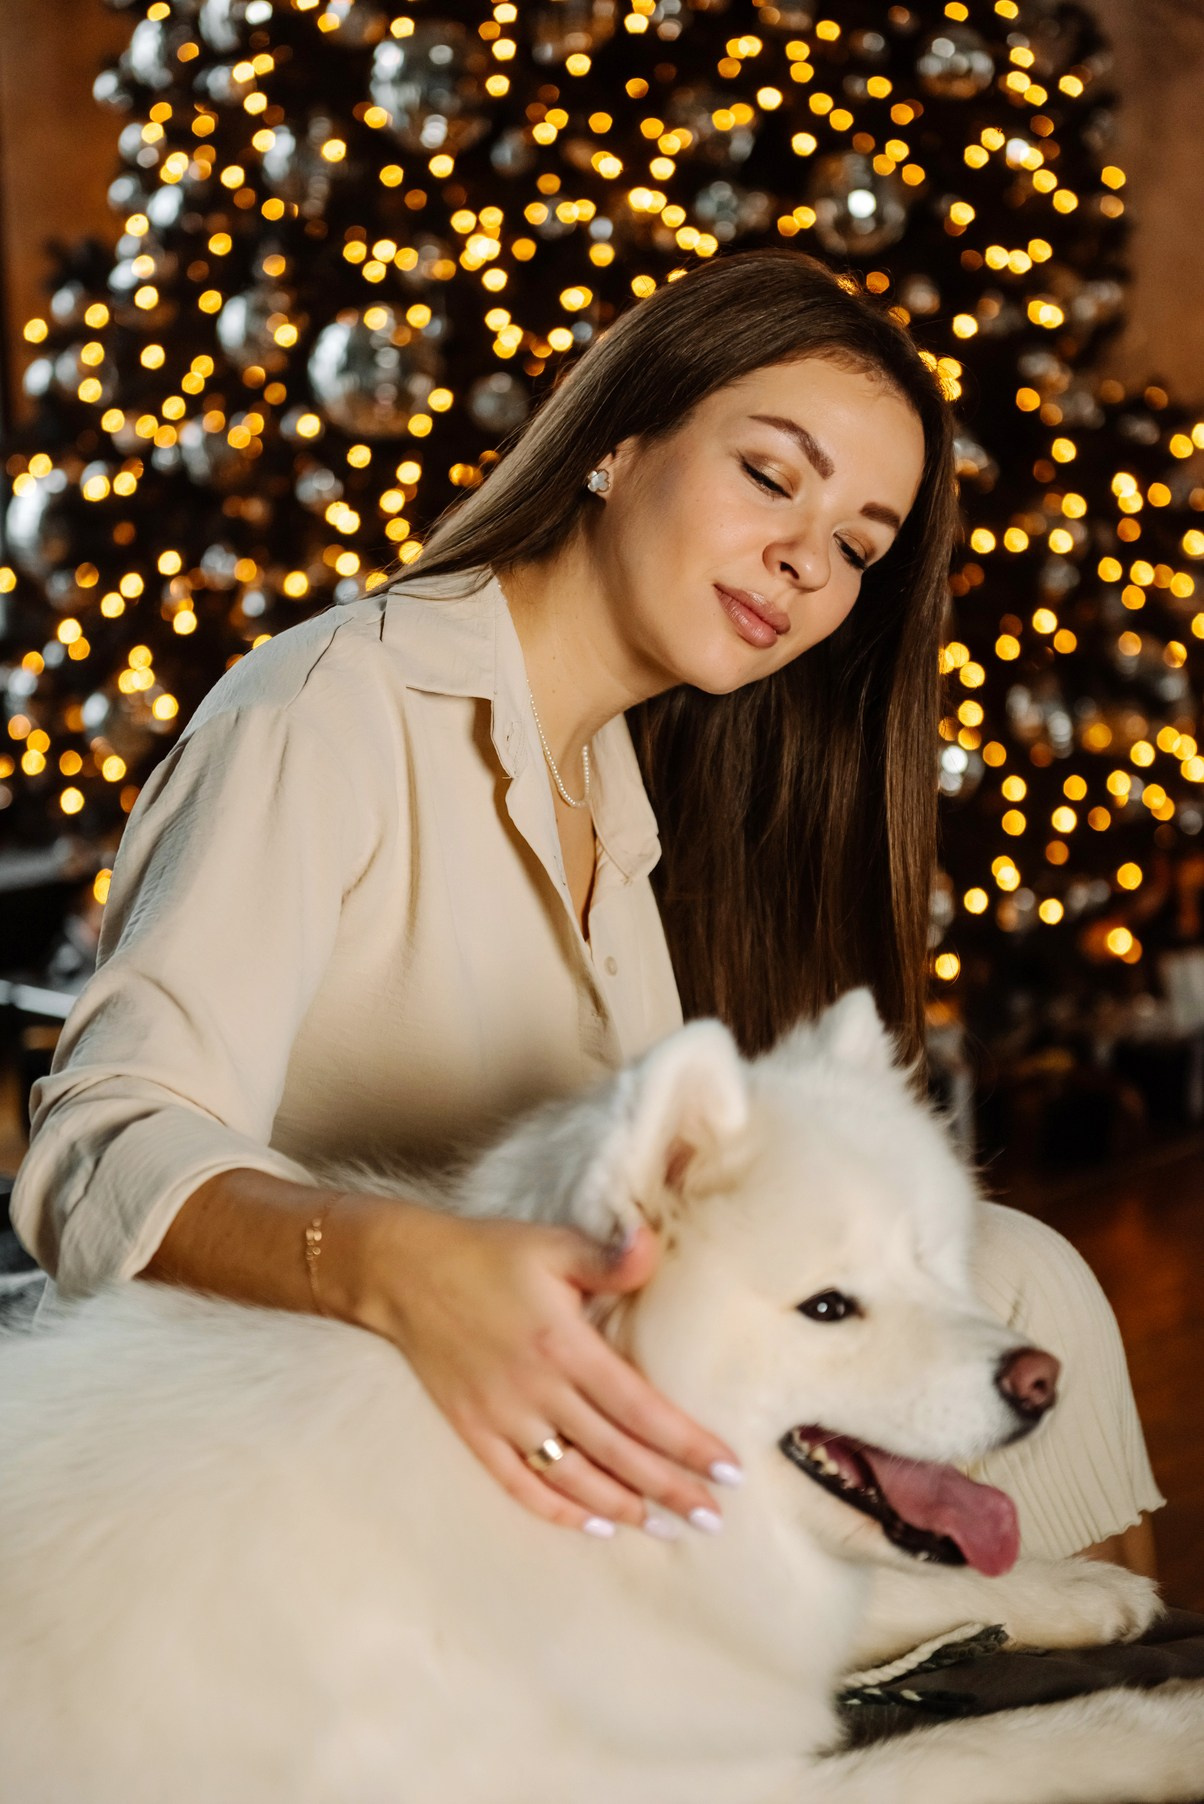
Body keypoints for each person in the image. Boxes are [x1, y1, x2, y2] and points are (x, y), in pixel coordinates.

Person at [10, 248, 1164, 1563]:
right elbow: (102, 1145)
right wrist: (405, 1267)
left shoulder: (621, 791)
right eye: (770, 476)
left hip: (543, 1417)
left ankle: (1094, 1652)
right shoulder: (327, 710)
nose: (805, 561)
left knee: (1020, 1277)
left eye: (856, 546)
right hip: (304, 1426)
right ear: (618, 441)